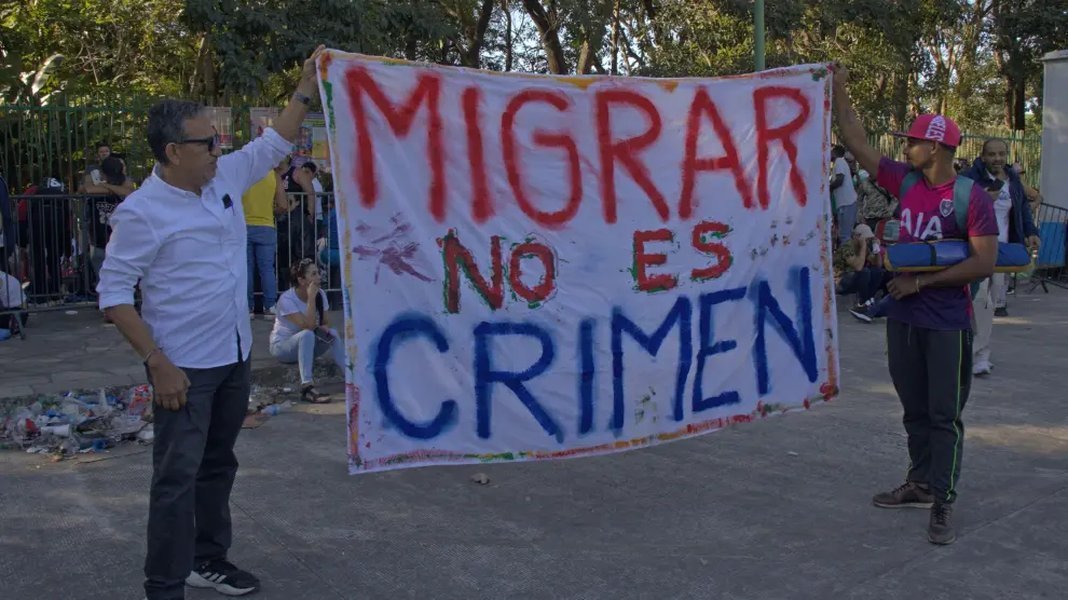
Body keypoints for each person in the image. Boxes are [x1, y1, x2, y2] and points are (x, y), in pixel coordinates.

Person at [97, 45, 325, 600]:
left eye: (218, 140)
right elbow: (112, 294)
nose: (219, 149)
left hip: (232, 356)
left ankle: (207, 560)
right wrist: (157, 362)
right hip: (183, 369)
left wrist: (303, 88)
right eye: (207, 142)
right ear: (174, 151)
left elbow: (274, 141)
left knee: (218, 465)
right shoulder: (142, 212)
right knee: (175, 481)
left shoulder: (223, 179)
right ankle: (165, 585)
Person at [832, 63, 997, 546]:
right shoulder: (905, 181)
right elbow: (859, 143)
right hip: (904, 319)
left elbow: (983, 263)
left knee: (944, 413)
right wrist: (841, 90)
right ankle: (920, 482)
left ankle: (943, 498)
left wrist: (921, 285)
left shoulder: (970, 198)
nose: (906, 147)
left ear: (938, 148)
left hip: (946, 322)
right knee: (913, 410)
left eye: (914, 141)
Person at [963, 139, 1041, 319]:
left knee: (994, 302)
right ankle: (972, 345)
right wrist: (982, 200)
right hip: (977, 249)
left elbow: (1022, 209)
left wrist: (1031, 232)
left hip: (1004, 248)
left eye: (1001, 154)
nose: (997, 159)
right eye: (991, 154)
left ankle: (982, 347)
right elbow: (958, 209)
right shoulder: (970, 179)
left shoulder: (1013, 180)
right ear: (983, 157)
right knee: (978, 299)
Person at [268, 259, 345, 403]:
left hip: (307, 344)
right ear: (301, 280)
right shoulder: (286, 300)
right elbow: (307, 326)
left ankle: (351, 377)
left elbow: (326, 322)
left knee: (333, 334)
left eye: (318, 273)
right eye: (313, 274)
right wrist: (310, 298)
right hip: (282, 347)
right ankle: (307, 387)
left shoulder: (320, 294)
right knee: (307, 334)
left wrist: (324, 328)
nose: (319, 277)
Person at [242, 162, 288, 316]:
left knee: (246, 269)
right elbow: (283, 205)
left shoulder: (244, 174)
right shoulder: (273, 175)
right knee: (267, 268)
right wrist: (272, 211)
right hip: (266, 226)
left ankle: (247, 307)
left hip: (244, 226)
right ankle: (270, 306)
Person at [83, 156, 136, 287]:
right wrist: (111, 188)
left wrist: (105, 185)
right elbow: (87, 189)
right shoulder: (96, 181)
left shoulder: (126, 181)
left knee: (122, 270)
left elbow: (128, 191)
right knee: (101, 268)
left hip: (120, 236)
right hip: (99, 236)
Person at [834, 223, 886, 311]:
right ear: (857, 236)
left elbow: (878, 264)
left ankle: (867, 301)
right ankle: (863, 302)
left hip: (853, 278)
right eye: (866, 239)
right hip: (841, 280)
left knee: (877, 271)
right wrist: (863, 246)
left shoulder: (864, 248)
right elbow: (858, 267)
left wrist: (876, 249)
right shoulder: (847, 246)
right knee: (864, 272)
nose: (867, 241)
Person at [830, 145, 858, 245]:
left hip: (847, 203)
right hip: (845, 203)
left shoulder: (839, 162)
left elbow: (840, 180)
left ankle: (846, 259)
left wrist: (828, 188)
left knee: (845, 236)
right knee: (844, 234)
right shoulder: (839, 163)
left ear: (834, 152)